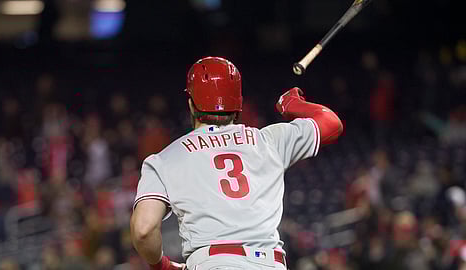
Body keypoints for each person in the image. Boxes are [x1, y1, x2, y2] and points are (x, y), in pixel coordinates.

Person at [130, 56, 343, 270]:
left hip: (213, 263)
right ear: (238, 103)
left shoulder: (166, 158)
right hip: (270, 263)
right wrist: (294, 104)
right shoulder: (268, 140)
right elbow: (331, 124)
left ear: (191, 105)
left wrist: (162, 266)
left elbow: (143, 230)